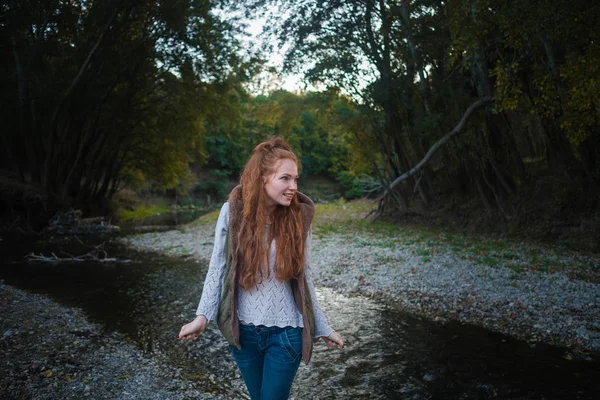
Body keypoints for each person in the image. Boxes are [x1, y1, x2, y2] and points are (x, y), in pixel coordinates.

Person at [177, 137, 344, 400]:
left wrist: (322, 327)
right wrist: (202, 317)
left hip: (287, 333)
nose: (293, 187)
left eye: (295, 179)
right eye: (285, 179)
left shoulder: (298, 218)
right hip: (243, 334)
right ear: (262, 178)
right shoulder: (231, 213)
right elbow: (218, 268)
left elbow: (305, 277)